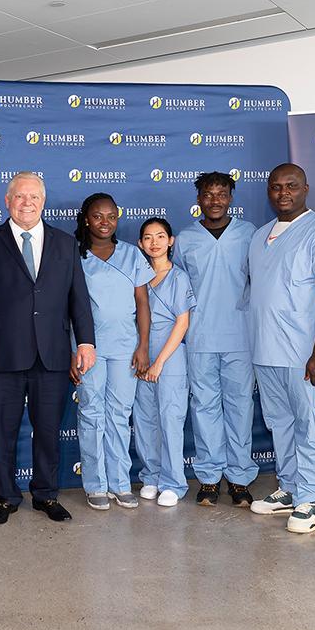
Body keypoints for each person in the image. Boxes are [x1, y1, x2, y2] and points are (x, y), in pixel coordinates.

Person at [0, 172, 96, 525]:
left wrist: (85, 340)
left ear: (43, 201)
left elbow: (78, 297)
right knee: (2, 431)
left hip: (51, 354)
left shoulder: (65, 244)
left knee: (49, 430)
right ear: (7, 201)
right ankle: (5, 497)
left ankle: (46, 494)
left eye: (34, 197)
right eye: (20, 196)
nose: (27, 203)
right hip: (1, 355)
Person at [247, 163, 315, 534]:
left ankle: (310, 499)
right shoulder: (260, 236)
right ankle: (289, 488)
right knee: (281, 425)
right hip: (266, 351)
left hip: (306, 355)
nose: (283, 193)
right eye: (276, 187)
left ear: (306, 188)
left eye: (291, 185)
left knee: (312, 426)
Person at [174, 172, 258, 508]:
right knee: (204, 407)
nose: (215, 200)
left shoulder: (250, 234)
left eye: (221, 193)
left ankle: (239, 478)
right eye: (208, 194)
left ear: (231, 198)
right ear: (198, 200)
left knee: (240, 407)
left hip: (241, 334)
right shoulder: (185, 239)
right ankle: (209, 478)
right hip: (200, 336)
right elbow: (177, 287)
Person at [71, 193, 152, 511]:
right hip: (88, 349)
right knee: (91, 412)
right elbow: (68, 309)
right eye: (97, 216)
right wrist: (72, 351)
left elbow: (143, 303)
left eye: (111, 216)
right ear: (86, 219)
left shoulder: (132, 255)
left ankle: (120, 482)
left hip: (124, 347)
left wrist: (143, 345)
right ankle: (95, 484)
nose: (104, 222)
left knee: (119, 414)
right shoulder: (74, 255)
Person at [133, 217, 196, 507]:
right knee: (145, 418)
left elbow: (182, 322)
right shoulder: (138, 277)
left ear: (171, 241)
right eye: (148, 237)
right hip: (141, 353)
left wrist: (159, 362)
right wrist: (143, 355)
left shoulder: (178, 277)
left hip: (169, 354)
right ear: (140, 244)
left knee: (170, 418)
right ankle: (151, 476)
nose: (154, 242)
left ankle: (173, 482)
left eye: (160, 236)